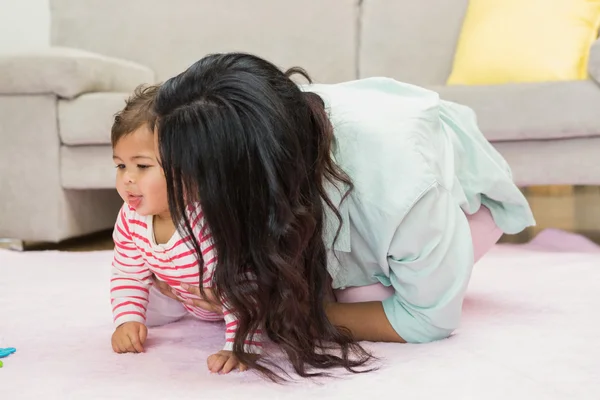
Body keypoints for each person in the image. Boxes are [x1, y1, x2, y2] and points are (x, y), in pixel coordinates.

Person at [156, 52, 536, 380]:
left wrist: (281, 314)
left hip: (466, 201)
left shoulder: (403, 192)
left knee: (363, 296)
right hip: (327, 189)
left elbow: (427, 320)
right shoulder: (272, 134)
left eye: (193, 180)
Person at [109, 85, 260, 374]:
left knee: (256, 302)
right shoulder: (130, 217)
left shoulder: (207, 222)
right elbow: (127, 272)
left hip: (231, 293)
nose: (127, 178)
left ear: (188, 171)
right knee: (138, 300)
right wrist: (128, 319)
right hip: (181, 295)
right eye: (120, 166)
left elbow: (245, 285)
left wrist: (239, 345)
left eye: (141, 166)